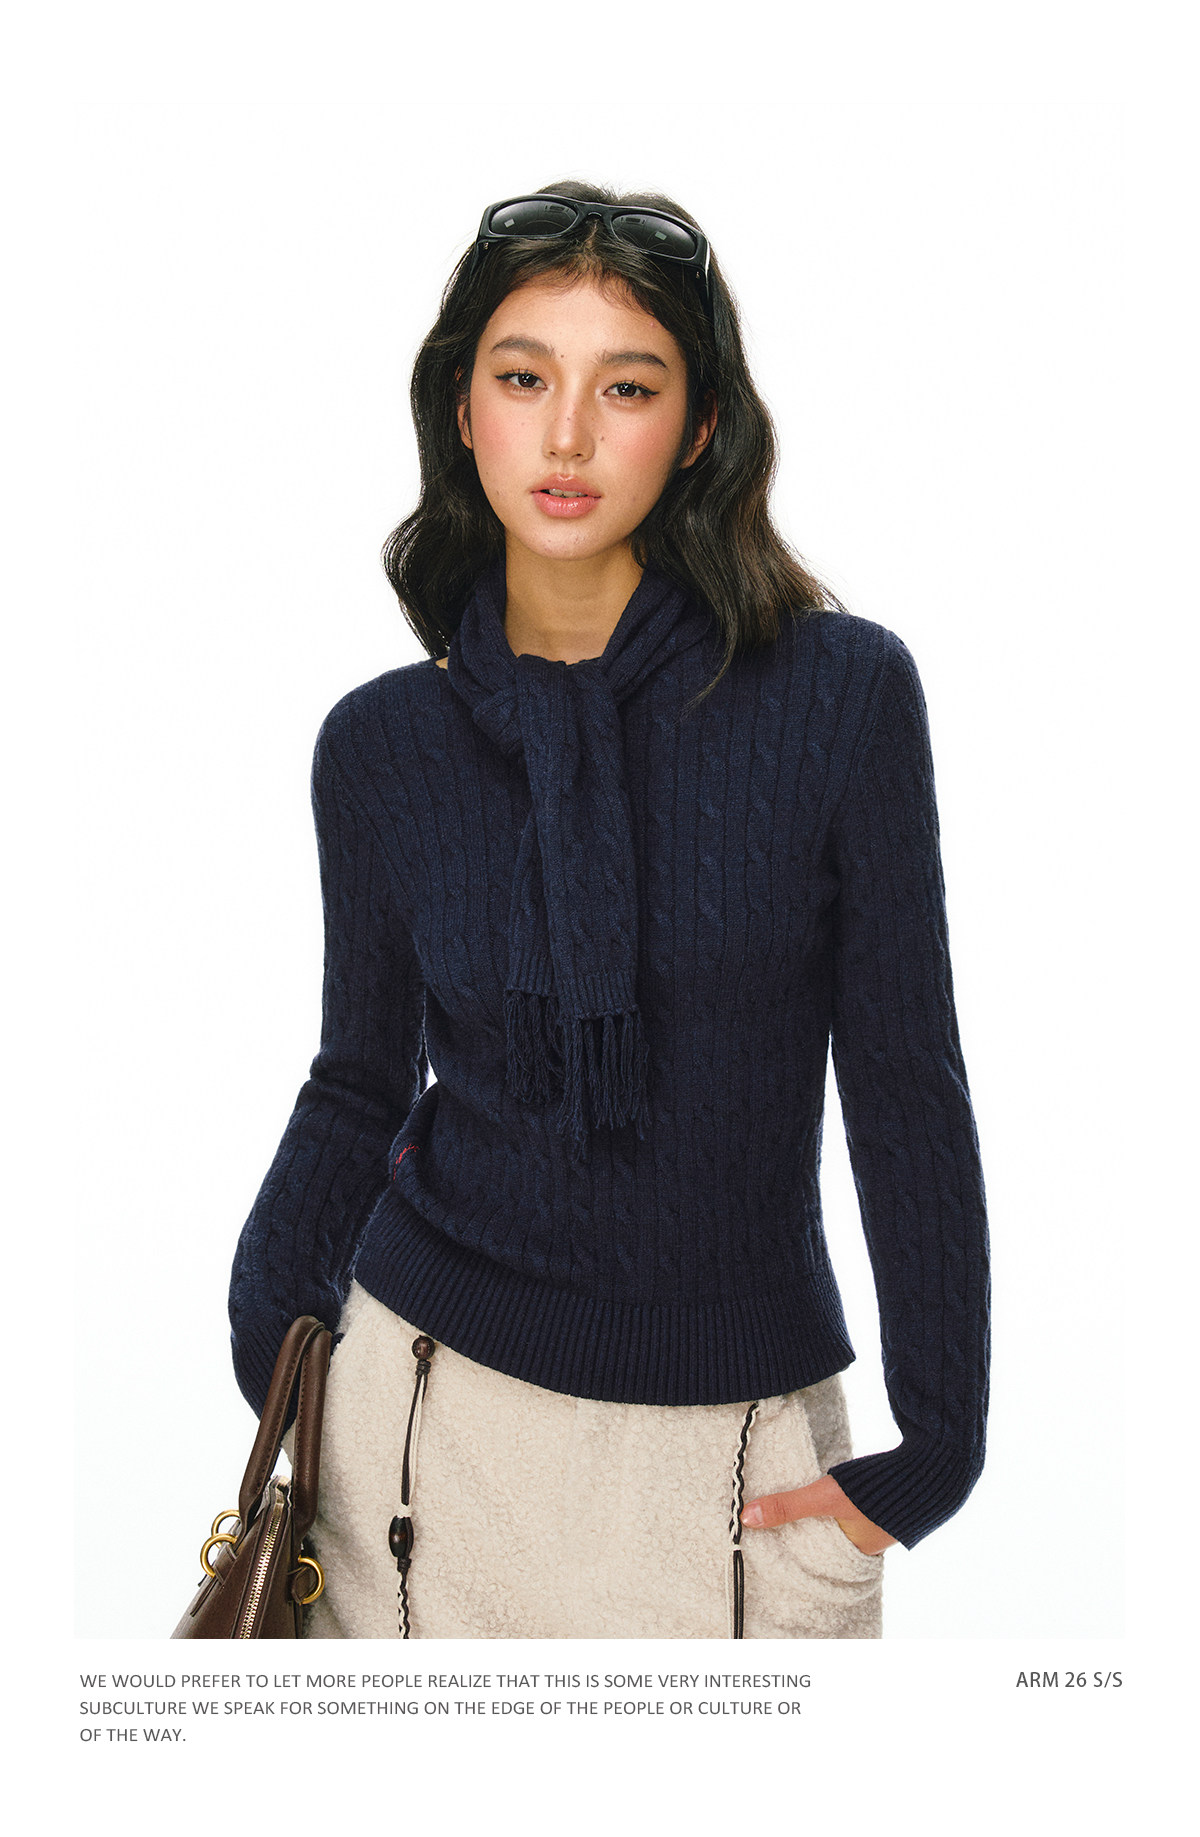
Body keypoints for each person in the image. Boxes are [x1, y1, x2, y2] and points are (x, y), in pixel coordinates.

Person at [228, 181, 990, 1640]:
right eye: (524, 379)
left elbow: (906, 1080)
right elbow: (358, 1081)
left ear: (699, 428)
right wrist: (275, 1332)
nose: (567, 436)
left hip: (734, 1472)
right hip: (412, 1438)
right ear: (463, 409)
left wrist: (939, 1444)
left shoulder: (841, 700)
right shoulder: (382, 744)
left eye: (626, 387)